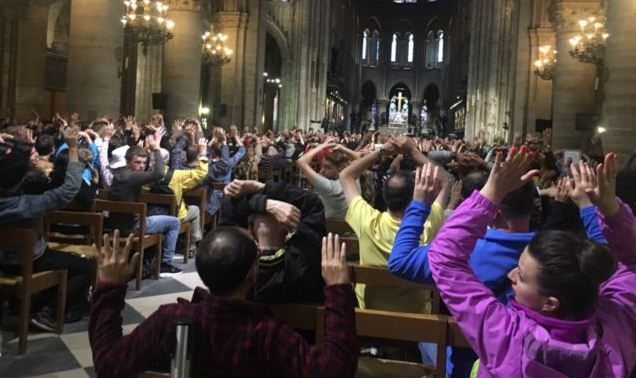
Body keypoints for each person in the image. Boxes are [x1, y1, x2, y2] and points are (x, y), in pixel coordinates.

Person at [429, 151, 636, 376]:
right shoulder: (616, 329)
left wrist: (491, 192)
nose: (511, 275)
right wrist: (610, 211)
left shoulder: (507, 338)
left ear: (550, 303)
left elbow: (444, 258)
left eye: (522, 275)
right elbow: (633, 263)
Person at [89, 229, 358, 377]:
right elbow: (333, 371)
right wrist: (337, 289)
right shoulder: (267, 333)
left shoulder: (171, 318)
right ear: (253, 273)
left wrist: (110, 287)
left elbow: (109, 365)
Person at [0, 127, 92, 330]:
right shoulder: (25, 206)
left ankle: (26, 305)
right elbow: (68, 190)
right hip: (28, 260)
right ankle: (47, 312)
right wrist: (74, 148)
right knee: (85, 267)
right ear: (21, 179)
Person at [339, 138, 446, 313]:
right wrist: (414, 151)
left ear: (384, 196)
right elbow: (444, 182)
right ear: (415, 198)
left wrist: (383, 151)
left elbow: (345, 175)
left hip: (369, 315)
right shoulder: (426, 223)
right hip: (417, 318)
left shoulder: (368, 221)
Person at [219, 179, 326, 304]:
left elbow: (229, 205)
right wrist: (262, 187)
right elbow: (313, 203)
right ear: (287, 227)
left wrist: (265, 205)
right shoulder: (305, 261)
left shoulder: (233, 266)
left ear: (250, 226)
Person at [108, 127, 182, 275]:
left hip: (116, 225)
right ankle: (166, 264)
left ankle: (151, 259)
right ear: (128, 161)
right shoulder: (132, 177)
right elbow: (159, 173)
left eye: (143, 163)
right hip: (133, 227)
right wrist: (156, 149)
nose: (141, 166)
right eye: (138, 162)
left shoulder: (119, 174)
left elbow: (148, 174)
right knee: (174, 222)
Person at [296, 137, 358, 219]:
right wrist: (341, 147)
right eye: (322, 167)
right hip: (352, 229)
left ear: (339, 168)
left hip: (329, 229)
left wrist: (323, 145)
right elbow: (358, 159)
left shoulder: (329, 187)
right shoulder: (353, 179)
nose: (322, 171)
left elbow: (301, 162)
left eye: (328, 168)